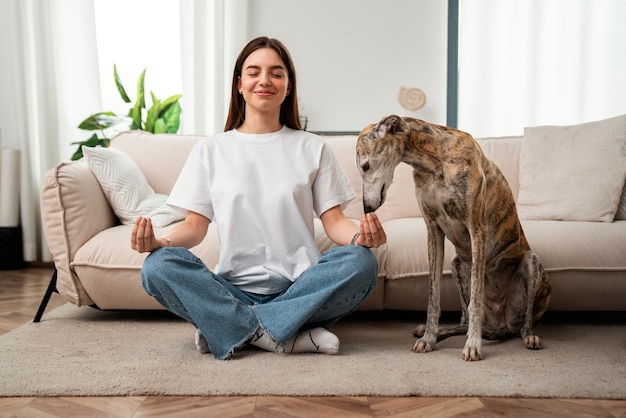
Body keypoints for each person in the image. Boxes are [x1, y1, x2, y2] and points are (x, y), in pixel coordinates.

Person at [130, 36, 386, 360]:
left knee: (361, 261)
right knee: (157, 266)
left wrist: (359, 236)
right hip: (231, 290)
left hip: (299, 289)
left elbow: (334, 222)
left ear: (288, 86)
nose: (265, 80)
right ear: (239, 84)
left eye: (276, 73)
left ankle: (230, 328)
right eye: (254, 72)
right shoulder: (211, 150)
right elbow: (194, 227)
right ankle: (285, 334)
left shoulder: (313, 148)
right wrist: (161, 242)